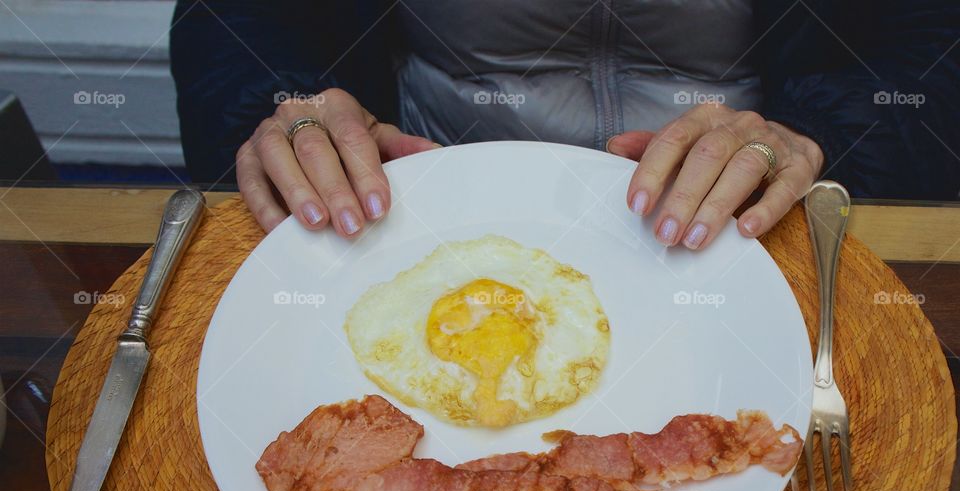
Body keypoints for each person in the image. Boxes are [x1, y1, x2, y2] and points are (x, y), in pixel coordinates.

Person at [171, 1, 960, 250]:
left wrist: (817, 133)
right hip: (415, 200)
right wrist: (285, 104)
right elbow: (236, 20)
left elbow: (933, 44)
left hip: (732, 206)